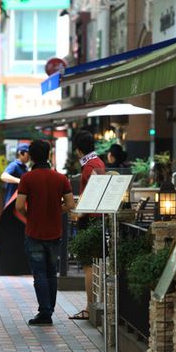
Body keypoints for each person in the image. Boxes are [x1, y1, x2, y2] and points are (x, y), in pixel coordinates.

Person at [15, 140, 75, 325]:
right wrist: (58, 210)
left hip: (34, 231)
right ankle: (49, 309)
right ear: (48, 155)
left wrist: (30, 214)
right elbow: (71, 205)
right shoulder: (60, 178)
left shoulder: (27, 178)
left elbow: (19, 206)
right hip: (55, 232)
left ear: (31, 156)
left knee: (39, 274)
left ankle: (45, 312)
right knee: (51, 272)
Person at [70, 130, 105, 320]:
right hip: (95, 218)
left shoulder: (90, 165)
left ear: (78, 149)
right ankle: (90, 306)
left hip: (90, 220)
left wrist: (79, 212)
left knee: (88, 265)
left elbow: (93, 192)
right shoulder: (97, 162)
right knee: (92, 264)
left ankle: (90, 308)